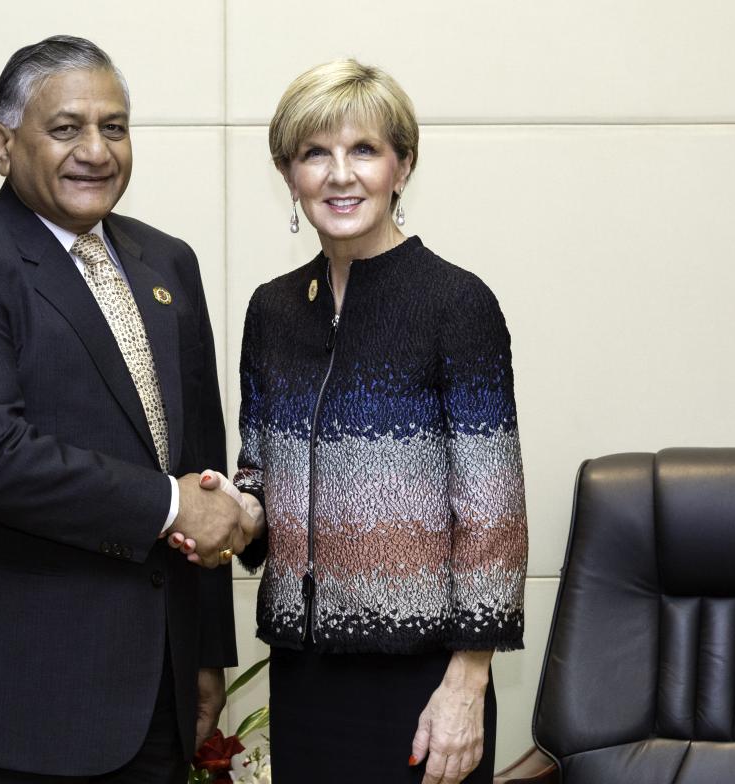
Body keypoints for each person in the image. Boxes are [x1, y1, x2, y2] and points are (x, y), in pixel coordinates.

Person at [0, 35, 253, 783]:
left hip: (158, 696)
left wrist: (209, 652)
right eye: (66, 128)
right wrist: (169, 507)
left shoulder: (167, 262)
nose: (96, 150)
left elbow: (200, 469)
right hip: (16, 705)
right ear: (3, 143)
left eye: (114, 127)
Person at [177, 59, 528, 784]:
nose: (341, 175)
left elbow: (495, 517)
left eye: (364, 150)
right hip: (305, 675)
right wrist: (227, 510)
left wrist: (467, 686)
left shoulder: (456, 305)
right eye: (316, 154)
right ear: (289, 173)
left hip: (425, 681)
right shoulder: (273, 311)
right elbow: (260, 478)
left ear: (402, 165)